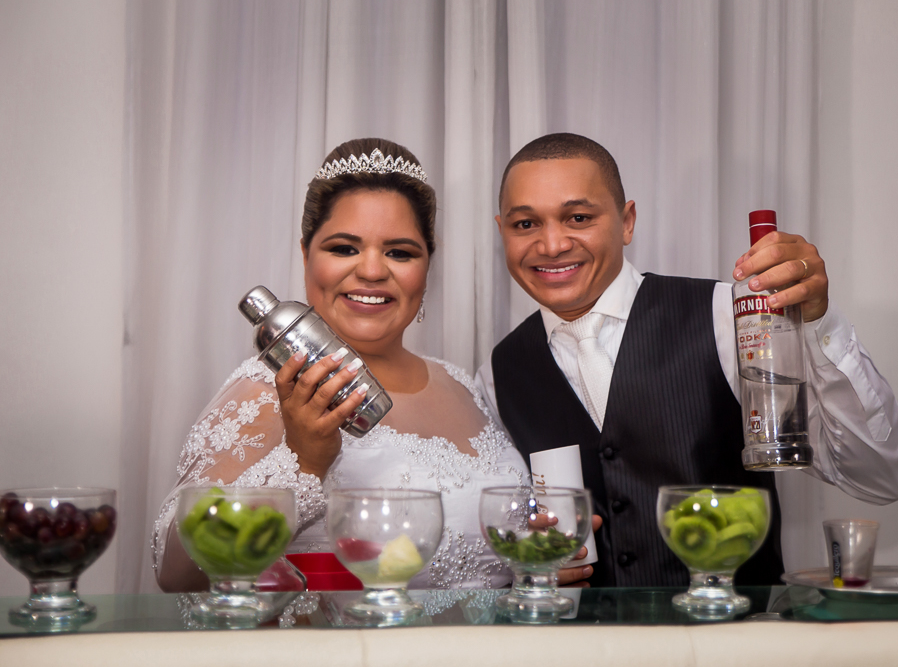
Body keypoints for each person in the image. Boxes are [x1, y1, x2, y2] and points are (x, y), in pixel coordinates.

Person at [153, 138, 596, 594]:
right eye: (344, 248)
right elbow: (173, 570)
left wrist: (530, 565)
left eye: (400, 252)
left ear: (427, 266)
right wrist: (304, 462)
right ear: (306, 256)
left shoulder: (464, 384)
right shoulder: (266, 390)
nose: (371, 271)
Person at [476, 132, 898, 588]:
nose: (551, 244)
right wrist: (535, 565)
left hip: (736, 630)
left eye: (578, 217)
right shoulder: (498, 373)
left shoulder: (729, 318)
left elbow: (878, 477)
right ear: (502, 230)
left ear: (627, 222)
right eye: (525, 224)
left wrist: (819, 323)